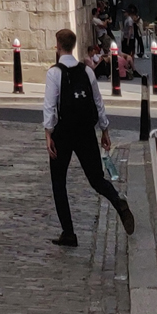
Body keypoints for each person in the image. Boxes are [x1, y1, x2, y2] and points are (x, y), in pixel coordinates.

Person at [44, 27, 135, 249]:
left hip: (63, 132)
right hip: (85, 131)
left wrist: (48, 133)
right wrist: (104, 129)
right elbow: (98, 102)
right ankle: (117, 201)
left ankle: (68, 232)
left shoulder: (54, 73)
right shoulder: (87, 72)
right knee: (96, 178)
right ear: (73, 46)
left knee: (59, 182)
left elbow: (50, 106)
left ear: (58, 46)